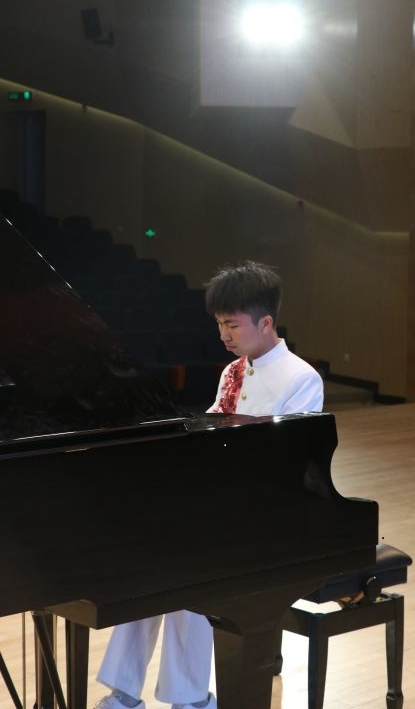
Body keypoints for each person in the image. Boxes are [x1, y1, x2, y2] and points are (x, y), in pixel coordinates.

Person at [95, 261, 324, 709]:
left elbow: (289, 464)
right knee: (147, 559)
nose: (224, 335)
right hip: (224, 506)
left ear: (266, 322)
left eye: (232, 325)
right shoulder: (232, 371)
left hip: (269, 517)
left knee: (191, 565)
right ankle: (125, 692)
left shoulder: (302, 378)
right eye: (219, 324)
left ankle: (190, 696)